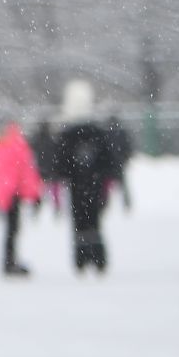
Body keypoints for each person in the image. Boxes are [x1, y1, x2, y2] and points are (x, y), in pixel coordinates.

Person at [52, 80, 118, 274]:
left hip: (77, 186)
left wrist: (60, 178)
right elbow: (108, 161)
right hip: (94, 184)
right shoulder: (97, 132)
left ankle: (82, 257)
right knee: (94, 221)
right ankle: (97, 257)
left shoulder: (67, 135)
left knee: (80, 221)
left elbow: (60, 164)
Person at [0, 119, 43, 276]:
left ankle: (9, 260)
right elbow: (24, 173)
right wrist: (32, 193)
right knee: (13, 228)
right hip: (13, 193)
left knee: (11, 228)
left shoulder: (0, 147)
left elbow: (1, 172)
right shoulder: (18, 148)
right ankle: (10, 261)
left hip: (6, 193)